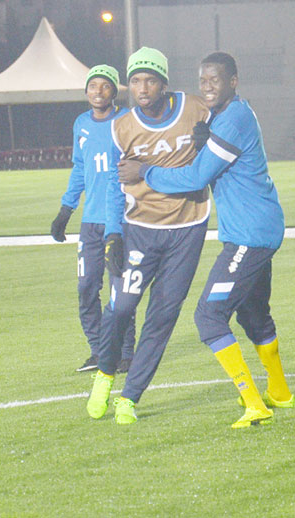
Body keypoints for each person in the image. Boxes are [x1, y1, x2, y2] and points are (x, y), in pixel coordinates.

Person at [118, 52, 294, 429]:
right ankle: (279, 392)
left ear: (233, 81)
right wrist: (205, 138)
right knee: (253, 314)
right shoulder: (226, 115)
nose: (208, 87)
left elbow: (196, 177)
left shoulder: (233, 119)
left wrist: (144, 171)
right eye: (203, 81)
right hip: (257, 229)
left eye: (216, 80)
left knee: (209, 316)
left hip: (249, 235)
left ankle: (254, 404)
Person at [85, 46, 211, 425]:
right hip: (140, 230)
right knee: (121, 307)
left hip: (188, 230)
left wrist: (211, 138)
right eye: (136, 80)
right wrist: (113, 234)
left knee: (162, 317)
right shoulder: (121, 127)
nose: (142, 88)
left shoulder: (195, 109)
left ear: (163, 83)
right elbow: (114, 184)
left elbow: (228, 130)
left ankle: (130, 397)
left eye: (150, 80)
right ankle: (105, 373)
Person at [50, 64, 135, 374]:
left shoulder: (127, 121)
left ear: (114, 91)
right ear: (86, 91)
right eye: (93, 86)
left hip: (122, 221)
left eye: (105, 86)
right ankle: (99, 351)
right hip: (90, 224)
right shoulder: (81, 124)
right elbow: (80, 167)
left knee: (120, 291)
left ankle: (126, 353)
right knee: (87, 287)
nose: (98, 91)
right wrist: (65, 210)